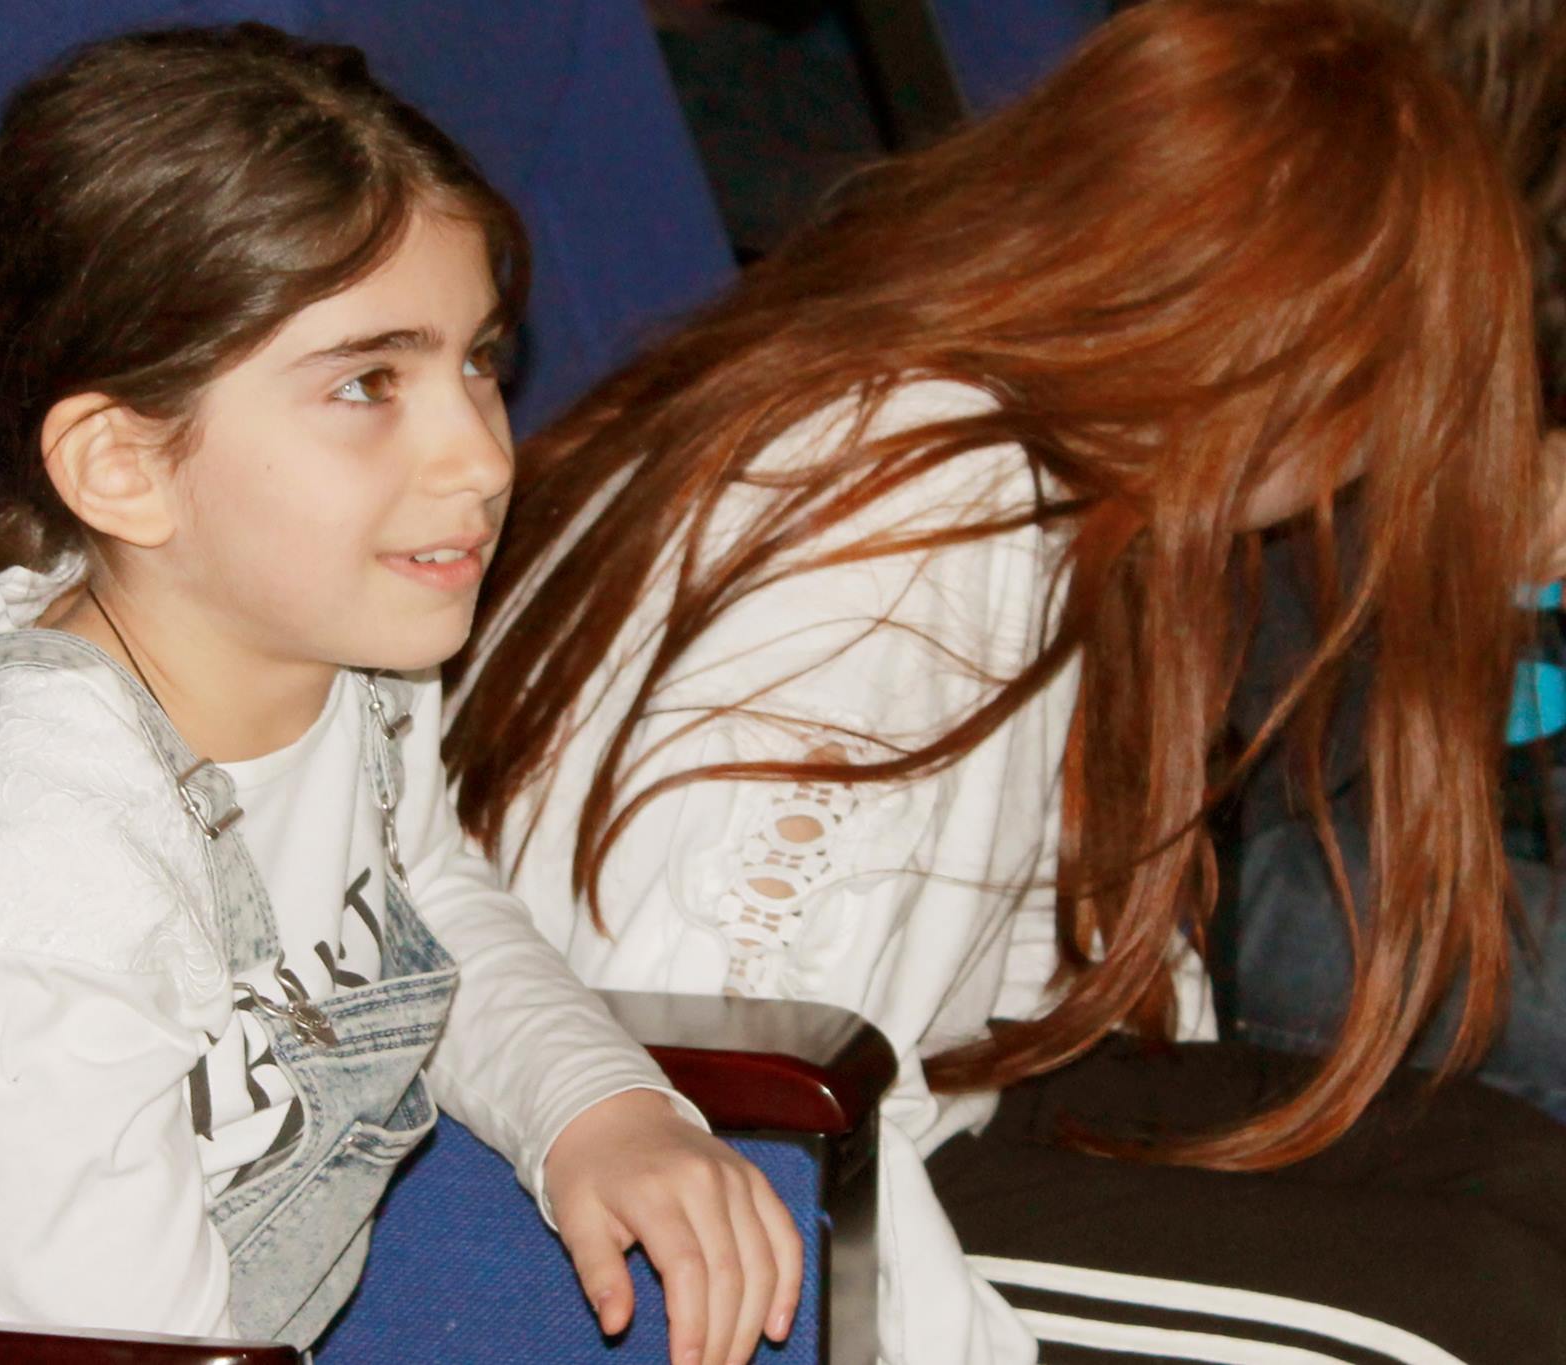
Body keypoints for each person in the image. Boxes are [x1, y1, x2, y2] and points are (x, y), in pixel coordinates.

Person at [0, 26, 801, 1363]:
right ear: (122, 468)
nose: (479, 454)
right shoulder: (17, 864)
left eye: (476, 358)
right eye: (367, 384)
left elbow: (415, 896)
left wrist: (597, 1107)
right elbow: (124, 1345)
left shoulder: (333, 650)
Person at [444, 1, 1566, 1360]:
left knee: (1521, 1181)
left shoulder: (1015, 436)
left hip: (927, 1088)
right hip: (751, 1198)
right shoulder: (913, 520)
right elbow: (735, 1084)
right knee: (1470, 1315)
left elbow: (996, 939)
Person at [1229, 0, 1566, 1124]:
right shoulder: (1295, 189)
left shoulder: (1490, 211)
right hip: (1260, 843)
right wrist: (1470, 511)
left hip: (1432, 778)